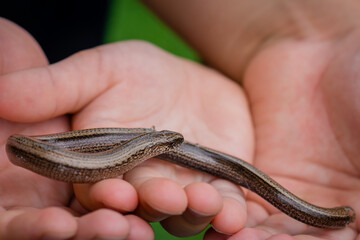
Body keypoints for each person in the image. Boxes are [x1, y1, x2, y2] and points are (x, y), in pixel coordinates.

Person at [0, 1, 359, 239]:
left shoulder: (145, 145)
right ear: (155, 146)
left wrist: (324, 41)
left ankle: (338, 216)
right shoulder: (149, 145)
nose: (177, 145)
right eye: (169, 143)